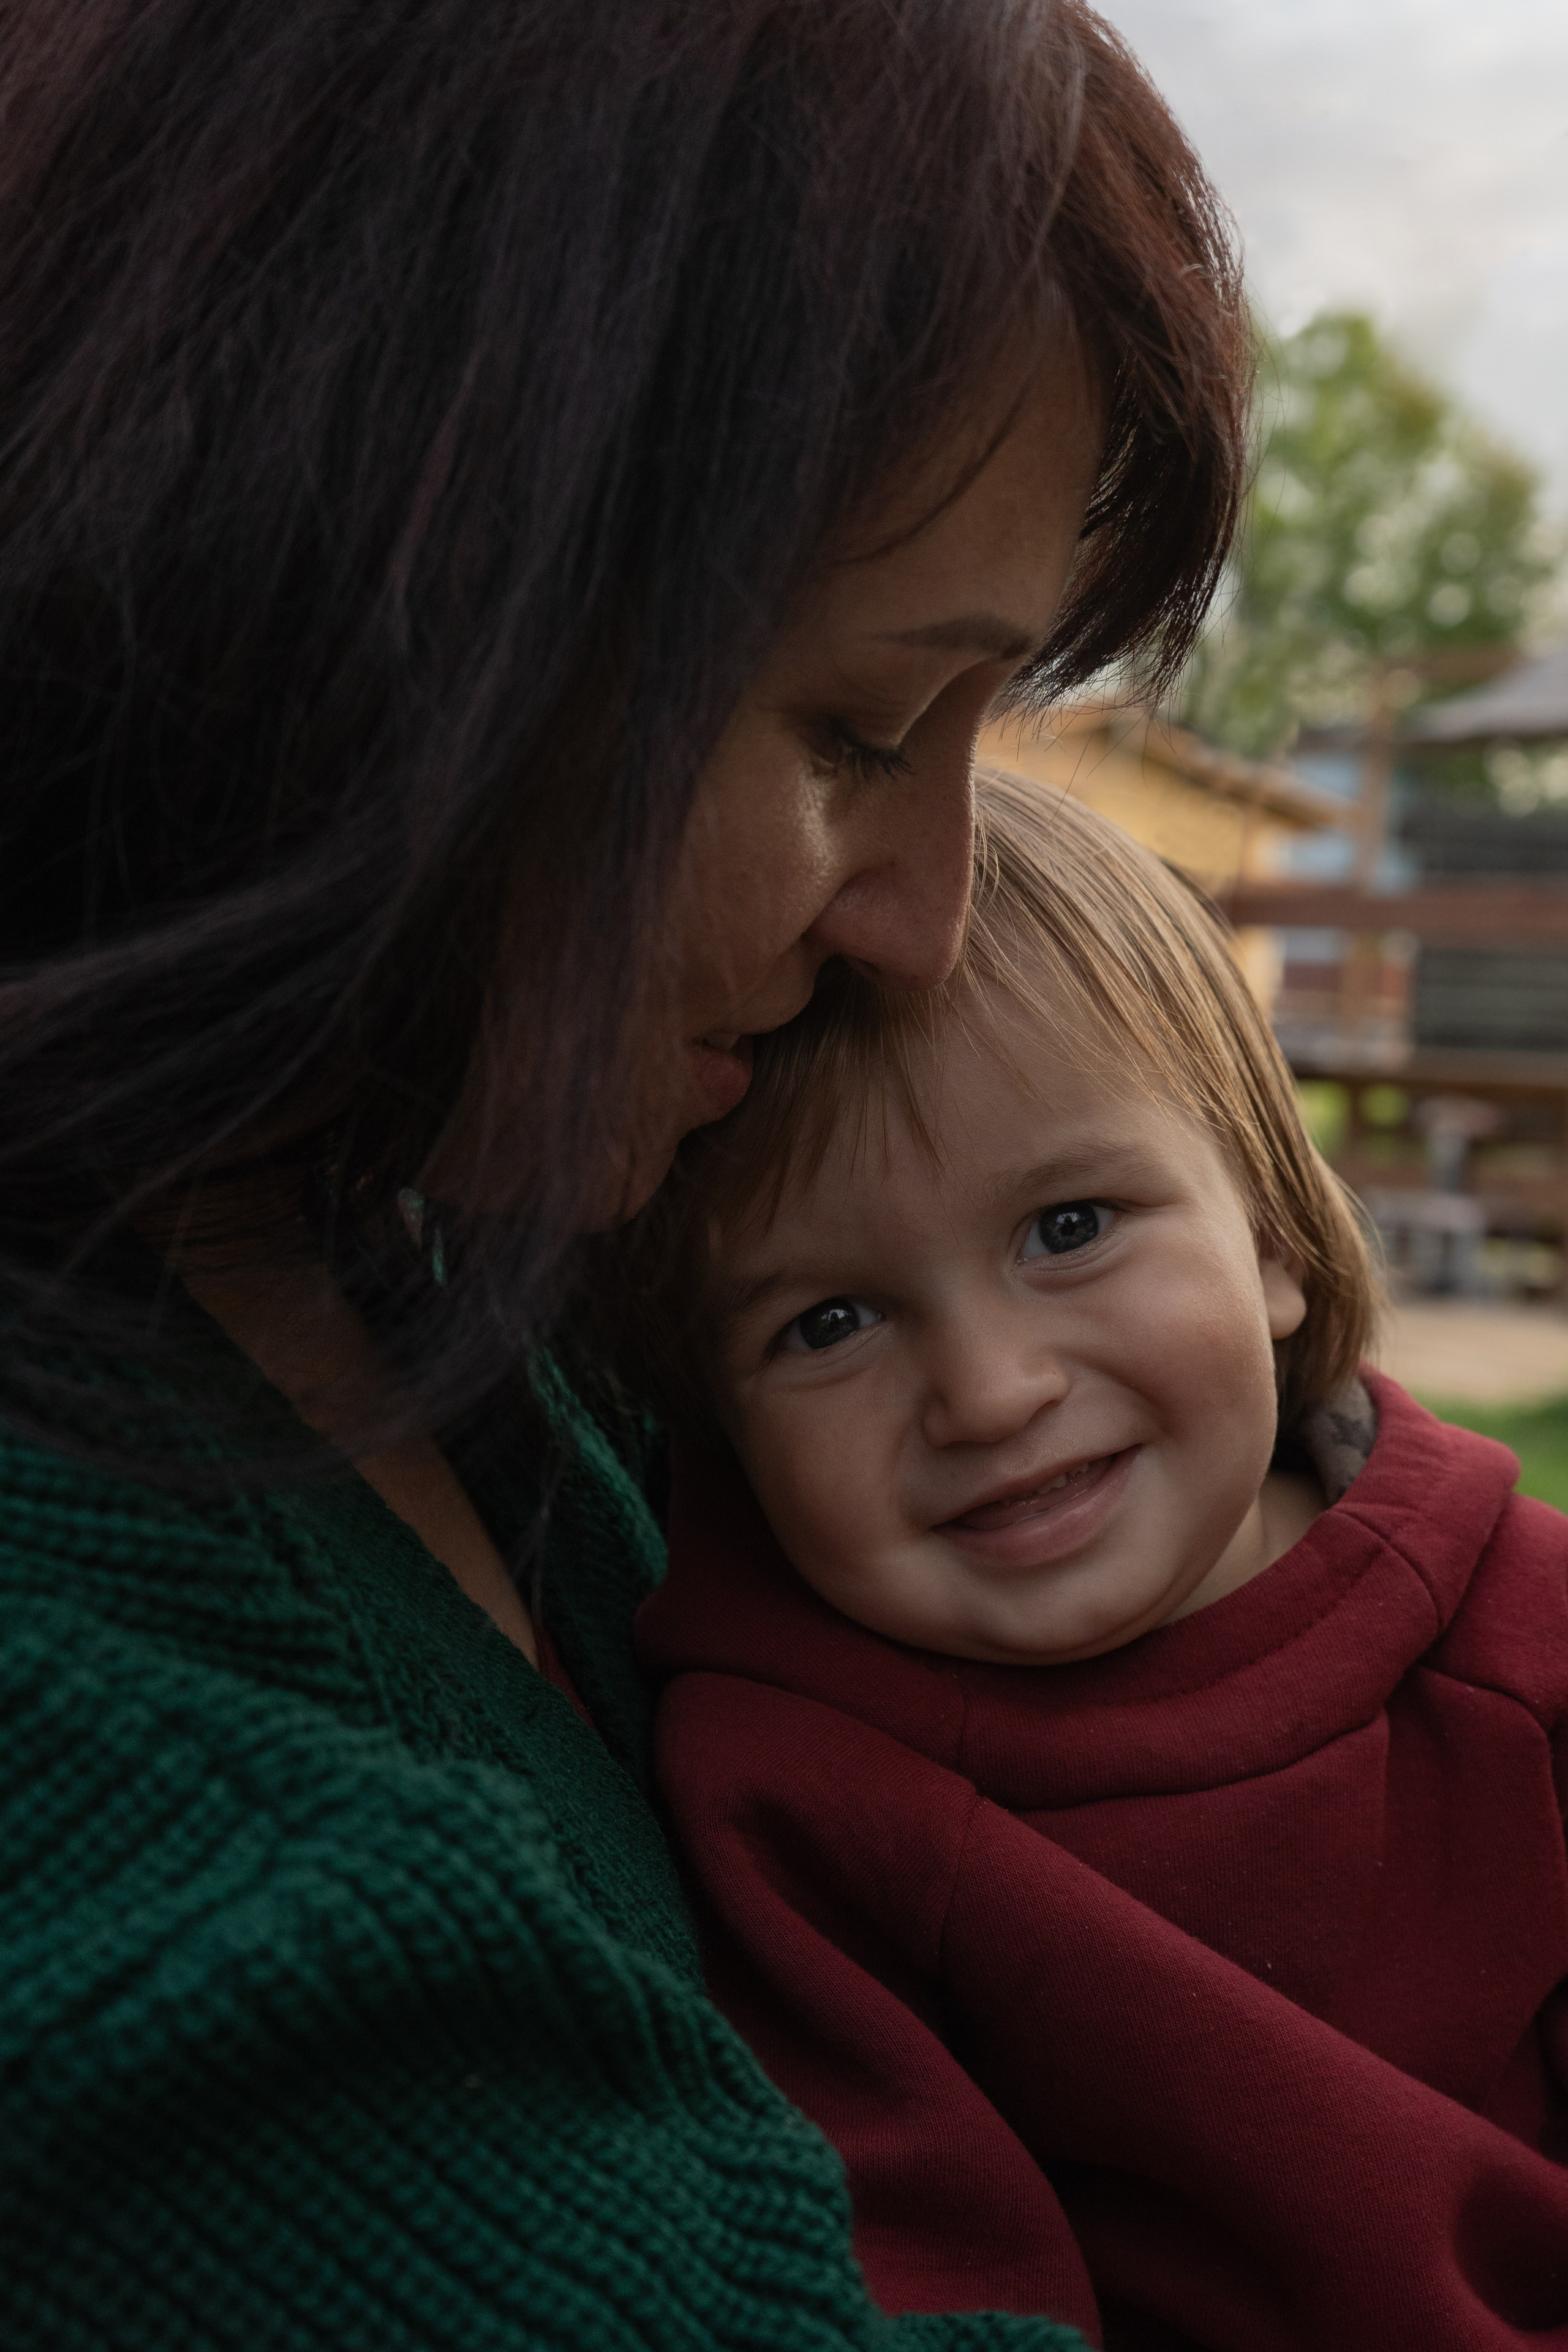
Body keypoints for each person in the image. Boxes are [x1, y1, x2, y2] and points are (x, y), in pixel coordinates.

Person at [0, 1, 1255, 2344]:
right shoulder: (104, 1819)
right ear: (374, 576)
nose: (924, 922)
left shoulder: (397, 1236)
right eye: (856, 727)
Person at [617, 775, 1568, 2350]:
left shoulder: (1522, 1632)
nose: (991, 1393)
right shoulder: (787, 1791)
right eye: (827, 1322)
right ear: (715, 1421)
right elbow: (918, 2274)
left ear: (1269, 1234)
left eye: (1068, 1228)